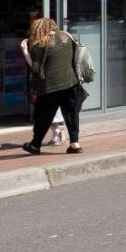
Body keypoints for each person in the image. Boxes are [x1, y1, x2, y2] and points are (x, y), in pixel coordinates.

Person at [20, 17, 83, 155]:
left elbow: (36, 68)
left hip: (50, 87)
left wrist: (25, 51)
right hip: (71, 83)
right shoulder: (67, 38)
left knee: (43, 116)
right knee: (71, 114)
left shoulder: (40, 46)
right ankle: (75, 144)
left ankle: (35, 145)